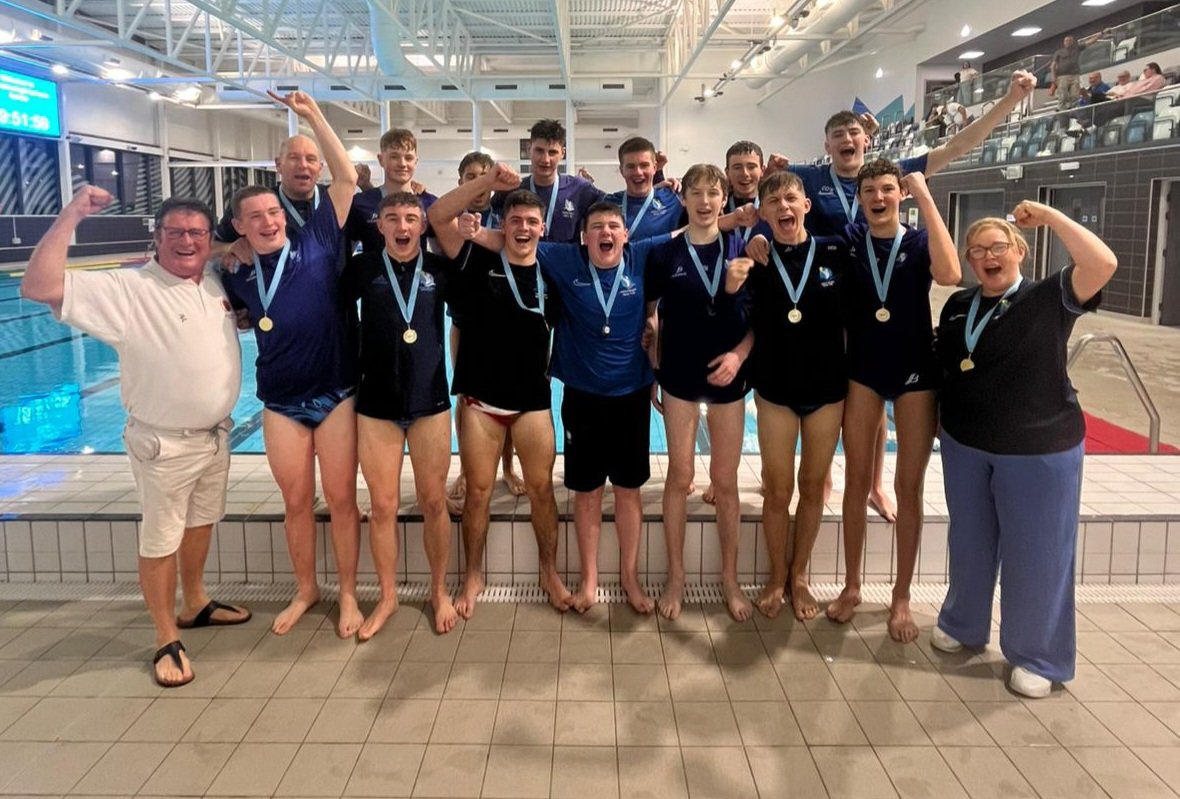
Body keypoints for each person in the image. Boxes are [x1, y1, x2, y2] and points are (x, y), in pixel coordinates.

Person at [768, 70, 1036, 520]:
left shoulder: (895, 175)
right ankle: (836, 476)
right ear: (827, 145)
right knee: (857, 399)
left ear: (867, 140)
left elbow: (958, 147)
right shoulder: (810, 177)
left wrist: (1010, 99)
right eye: (838, 135)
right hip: (833, 303)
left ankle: (874, 484)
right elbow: (766, 190)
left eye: (854, 131)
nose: (847, 139)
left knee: (875, 395)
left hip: (890, 297)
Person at [21, 187, 250, 687]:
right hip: (164, 444)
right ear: (157, 238)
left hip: (214, 437)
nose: (186, 242)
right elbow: (38, 286)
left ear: (208, 238)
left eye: (196, 233)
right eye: (175, 233)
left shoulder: (210, 282)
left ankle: (195, 603)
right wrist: (74, 213)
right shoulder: (128, 290)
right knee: (161, 537)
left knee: (201, 522)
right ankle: (166, 636)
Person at [931, 200, 1116, 698]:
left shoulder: (1050, 297)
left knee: (1036, 552)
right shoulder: (958, 306)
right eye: (977, 251)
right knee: (969, 542)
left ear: (1020, 252)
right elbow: (945, 368)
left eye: (998, 247)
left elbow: (1102, 263)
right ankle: (964, 623)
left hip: (1037, 446)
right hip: (966, 442)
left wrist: (1053, 217)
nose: (987, 257)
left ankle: (1038, 654)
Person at [469, 201, 678, 613]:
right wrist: (475, 234)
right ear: (584, 236)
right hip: (582, 396)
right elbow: (514, 242)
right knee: (585, 493)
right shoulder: (565, 258)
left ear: (625, 235)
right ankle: (588, 581)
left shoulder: (640, 255)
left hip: (631, 395)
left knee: (628, 492)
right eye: (596, 226)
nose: (606, 233)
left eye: (613, 226)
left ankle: (630, 579)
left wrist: (740, 220)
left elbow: (689, 231)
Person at [219, 91, 363, 638]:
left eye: (274, 213)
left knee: (344, 500)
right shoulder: (234, 269)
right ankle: (307, 590)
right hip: (280, 399)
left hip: (337, 391)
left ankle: (347, 594)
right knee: (297, 501)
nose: (267, 221)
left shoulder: (321, 238)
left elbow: (346, 180)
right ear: (239, 225)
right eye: (255, 216)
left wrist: (314, 116)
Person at [429, 167, 575, 617]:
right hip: (480, 402)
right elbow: (437, 216)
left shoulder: (553, 273)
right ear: (503, 224)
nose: (524, 229)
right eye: (516, 222)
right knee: (477, 491)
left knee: (542, 491)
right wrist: (487, 181)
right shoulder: (475, 261)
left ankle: (548, 571)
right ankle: (473, 573)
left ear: (542, 228)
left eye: (532, 222)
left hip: (532, 401)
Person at [824, 160, 960, 642]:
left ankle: (901, 594)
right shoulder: (849, 240)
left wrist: (924, 196)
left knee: (909, 487)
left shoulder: (920, 242)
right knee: (857, 483)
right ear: (859, 198)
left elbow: (950, 272)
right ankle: (853, 584)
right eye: (869, 191)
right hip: (862, 372)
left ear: (899, 194)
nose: (878, 197)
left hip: (916, 372)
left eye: (887, 189)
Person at [732, 171, 848, 620]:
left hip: (827, 388)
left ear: (806, 206)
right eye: (774, 200)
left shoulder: (836, 252)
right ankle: (777, 575)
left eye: (791, 198)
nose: (783, 206)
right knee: (778, 489)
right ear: (763, 212)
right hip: (775, 387)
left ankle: (800, 576)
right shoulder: (756, 259)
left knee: (813, 485)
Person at [342, 192, 459, 637]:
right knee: (383, 507)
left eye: (412, 217)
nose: (403, 225)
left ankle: (439, 590)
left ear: (423, 226)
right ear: (380, 226)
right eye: (393, 218)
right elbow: (326, 309)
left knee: (433, 503)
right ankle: (388, 596)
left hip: (430, 402)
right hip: (376, 405)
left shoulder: (440, 270)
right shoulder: (362, 268)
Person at [646, 164, 754, 622]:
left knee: (726, 483)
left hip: (729, 375)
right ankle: (676, 576)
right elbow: (650, 315)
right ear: (684, 200)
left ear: (724, 199)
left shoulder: (745, 249)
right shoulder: (664, 255)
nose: (706, 201)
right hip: (679, 375)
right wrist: (654, 368)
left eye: (714, 193)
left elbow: (759, 320)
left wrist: (739, 356)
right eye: (696, 193)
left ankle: (729, 578)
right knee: (681, 476)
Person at [445, 151, 527, 513]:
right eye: (471, 176)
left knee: (508, 401)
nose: (479, 182)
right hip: (465, 323)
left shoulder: (504, 214)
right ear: (461, 180)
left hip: (507, 324)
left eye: (485, 174)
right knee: (465, 399)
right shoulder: (452, 216)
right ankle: (465, 468)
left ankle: (508, 467)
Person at [490, 119, 605, 243]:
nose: (545, 159)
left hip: (565, 261)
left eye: (552, 152)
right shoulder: (511, 189)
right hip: (523, 260)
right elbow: (483, 214)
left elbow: (613, 212)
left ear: (562, 153)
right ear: (529, 149)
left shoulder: (580, 189)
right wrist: (487, 183)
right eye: (539, 151)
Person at [347, 128, 437, 255]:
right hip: (372, 274)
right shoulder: (360, 203)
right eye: (394, 157)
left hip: (416, 274)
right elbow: (346, 254)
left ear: (416, 162)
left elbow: (440, 253)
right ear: (381, 159)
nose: (402, 164)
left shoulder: (429, 203)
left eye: (408, 158)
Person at [604, 136, 686, 240]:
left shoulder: (673, 197)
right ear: (622, 170)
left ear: (655, 168)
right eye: (631, 166)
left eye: (644, 165)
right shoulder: (608, 203)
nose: (638, 172)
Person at [1051, 31, 1105, 111]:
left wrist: (1099, 35)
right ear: (1064, 42)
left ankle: (1074, 110)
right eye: (1066, 41)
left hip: (1074, 75)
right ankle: (1062, 109)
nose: (1068, 42)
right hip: (1063, 76)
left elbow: (1089, 42)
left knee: (1075, 94)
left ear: (1072, 42)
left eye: (1070, 41)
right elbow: (1053, 65)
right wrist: (1053, 76)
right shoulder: (1059, 52)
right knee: (1063, 95)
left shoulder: (1077, 48)